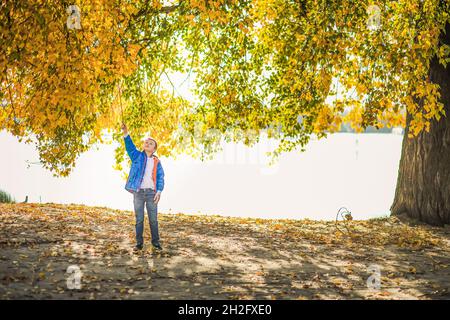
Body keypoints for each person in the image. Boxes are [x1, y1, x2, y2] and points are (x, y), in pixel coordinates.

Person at [121, 122, 165, 251]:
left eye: (151, 143)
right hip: (138, 193)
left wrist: (159, 191)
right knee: (139, 219)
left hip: (152, 193)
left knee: (153, 220)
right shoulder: (137, 156)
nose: (147, 143)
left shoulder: (157, 162)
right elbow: (130, 147)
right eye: (146, 142)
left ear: (154, 148)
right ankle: (139, 243)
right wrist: (125, 133)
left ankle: (156, 243)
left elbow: (161, 178)